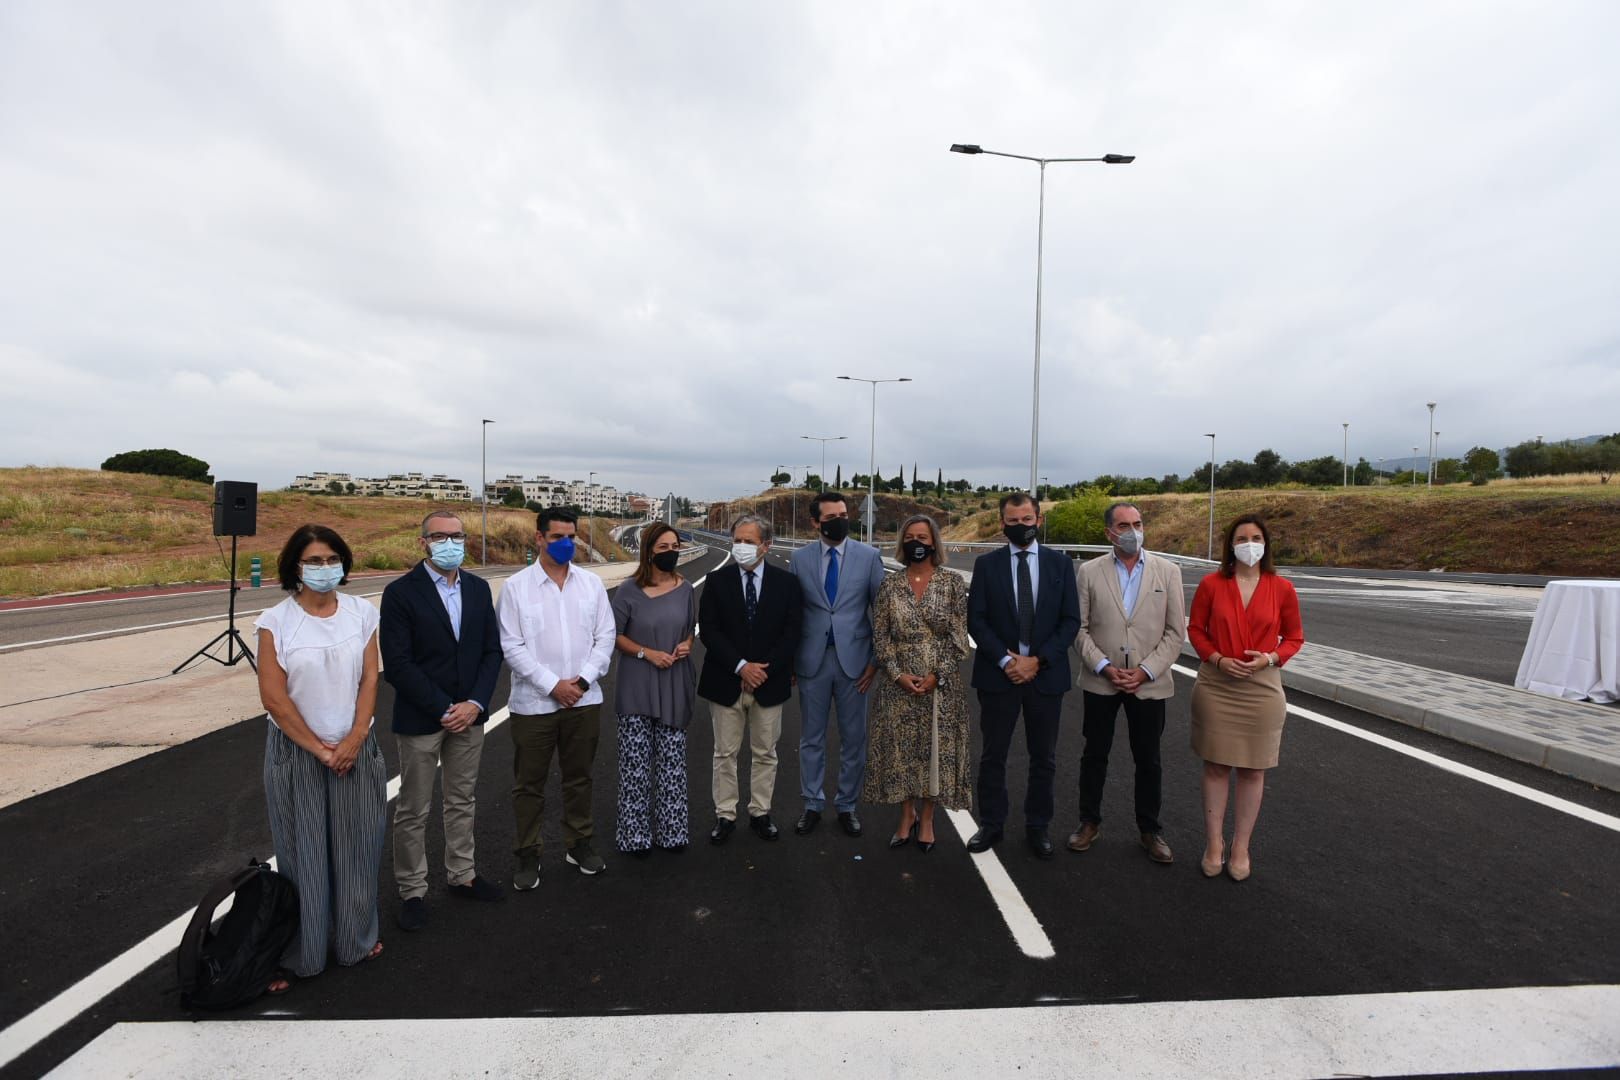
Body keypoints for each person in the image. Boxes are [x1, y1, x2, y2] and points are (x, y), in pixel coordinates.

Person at [255, 524, 385, 993]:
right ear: (294, 566)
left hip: (355, 747)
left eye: (332, 559)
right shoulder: (275, 623)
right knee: (303, 856)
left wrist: (354, 738)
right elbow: (274, 698)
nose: (324, 568)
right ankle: (303, 953)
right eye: (313, 561)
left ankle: (355, 939)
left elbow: (370, 679)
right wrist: (320, 749)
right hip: (298, 753)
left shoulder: (361, 613)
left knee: (358, 849)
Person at [380, 510, 506, 932]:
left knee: (461, 799)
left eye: (458, 536)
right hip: (423, 717)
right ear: (423, 543)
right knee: (414, 807)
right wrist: (442, 707)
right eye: (441, 537)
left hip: (469, 716)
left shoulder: (477, 587)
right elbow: (397, 663)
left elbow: (492, 651)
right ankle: (413, 890)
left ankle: (463, 875)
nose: (451, 543)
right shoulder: (400, 593)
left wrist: (474, 703)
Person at [497, 507, 616, 884]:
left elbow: (605, 637)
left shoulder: (591, 585)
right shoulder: (516, 588)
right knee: (529, 784)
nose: (566, 544)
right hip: (533, 706)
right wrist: (553, 685)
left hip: (584, 701)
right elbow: (512, 647)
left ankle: (578, 842)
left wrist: (580, 683)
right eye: (556, 537)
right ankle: (527, 853)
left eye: (571, 536)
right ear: (538, 538)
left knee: (578, 777)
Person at [1187, 515, 1304, 882]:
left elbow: (1295, 638)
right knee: (1217, 766)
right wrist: (1218, 659)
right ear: (1230, 545)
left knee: (1254, 769)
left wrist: (1269, 658)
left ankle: (1241, 846)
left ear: (1265, 543)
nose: (1249, 543)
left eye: (1256, 537)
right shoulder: (1211, 584)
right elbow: (1195, 629)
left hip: (1262, 686)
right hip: (1217, 685)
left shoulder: (1282, 588)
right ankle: (1214, 843)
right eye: (1242, 537)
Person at [965, 492, 1081, 858]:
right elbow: (976, 620)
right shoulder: (987, 565)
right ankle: (991, 824)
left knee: (1043, 757)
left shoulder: (1060, 566)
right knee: (993, 755)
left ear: (1039, 521)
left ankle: (1037, 826)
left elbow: (1070, 621)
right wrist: (1005, 660)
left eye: (1026, 520)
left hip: (1045, 677)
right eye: (1012, 521)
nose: (1020, 527)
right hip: (999, 677)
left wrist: (1037, 661)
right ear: (1002, 524)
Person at [1070, 502, 1185, 864]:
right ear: (1109, 533)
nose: (1133, 531)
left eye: (1137, 523)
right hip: (1102, 681)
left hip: (1148, 683)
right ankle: (1089, 822)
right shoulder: (1089, 572)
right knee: (1095, 754)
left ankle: (1150, 830)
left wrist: (1146, 670)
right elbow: (1079, 627)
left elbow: (1175, 631)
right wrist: (1103, 666)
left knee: (1148, 758)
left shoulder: (1168, 572)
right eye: (1124, 525)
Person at [864, 514, 971, 854]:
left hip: (941, 684)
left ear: (934, 543)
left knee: (936, 752)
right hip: (899, 684)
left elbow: (959, 638)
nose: (917, 543)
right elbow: (881, 637)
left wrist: (937, 674)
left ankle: (927, 818)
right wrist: (896, 674)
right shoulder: (890, 585)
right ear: (902, 544)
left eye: (923, 537)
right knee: (901, 753)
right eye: (910, 537)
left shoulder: (952, 583)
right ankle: (905, 814)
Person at [697, 513, 801, 844]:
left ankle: (760, 813)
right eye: (737, 540)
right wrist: (742, 666)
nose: (741, 547)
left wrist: (761, 670)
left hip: (769, 682)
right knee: (724, 753)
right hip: (726, 679)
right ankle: (725, 815)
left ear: (766, 546)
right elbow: (709, 631)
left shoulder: (787, 584)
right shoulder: (717, 581)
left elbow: (792, 633)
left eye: (749, 541)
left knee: (765, 752)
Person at [788, 490, 886, 837]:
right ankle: (812, 803)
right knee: (811, 738)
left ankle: (847, 805)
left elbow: (884, 613)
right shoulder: (799, 560)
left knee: (853, 739)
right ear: (815, 522)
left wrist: (875, 663)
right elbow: (793, 613)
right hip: (812, 661)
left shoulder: (869, 557)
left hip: (855, 664)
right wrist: (789, 662)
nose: (839, 521)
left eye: (843, 514)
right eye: (830, 517)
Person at [611, 523, 698, 854]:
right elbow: (614, 635)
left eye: (674, 546)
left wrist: (687, 645)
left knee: (672, 764)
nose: (671, 553)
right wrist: (646, 653)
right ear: (648, 551)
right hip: (637, 685)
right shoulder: (628, 591)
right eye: (663, 548)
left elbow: (689, 630)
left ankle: (672, 832)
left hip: (674, 683)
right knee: (635, 767)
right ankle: (635, 837)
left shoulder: (687, 589)